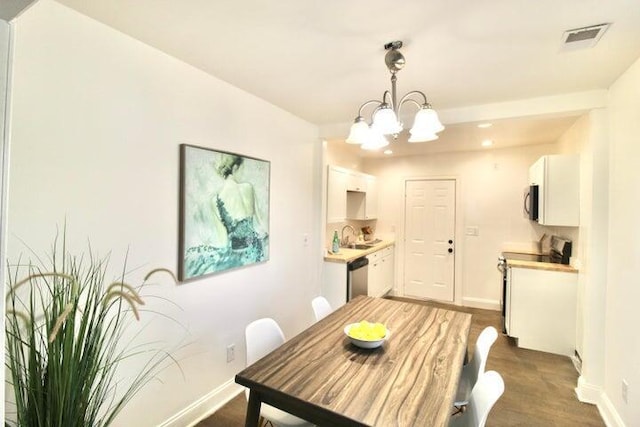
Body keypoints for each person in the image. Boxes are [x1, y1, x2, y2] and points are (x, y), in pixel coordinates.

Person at [184, 153, 268, 278]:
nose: (243, 172)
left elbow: (223, 240)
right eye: (243, 168)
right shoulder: (248, 187)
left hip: (237, 255)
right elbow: (261, 221)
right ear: (235, 168)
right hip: (256, 250)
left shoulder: (216, 200)